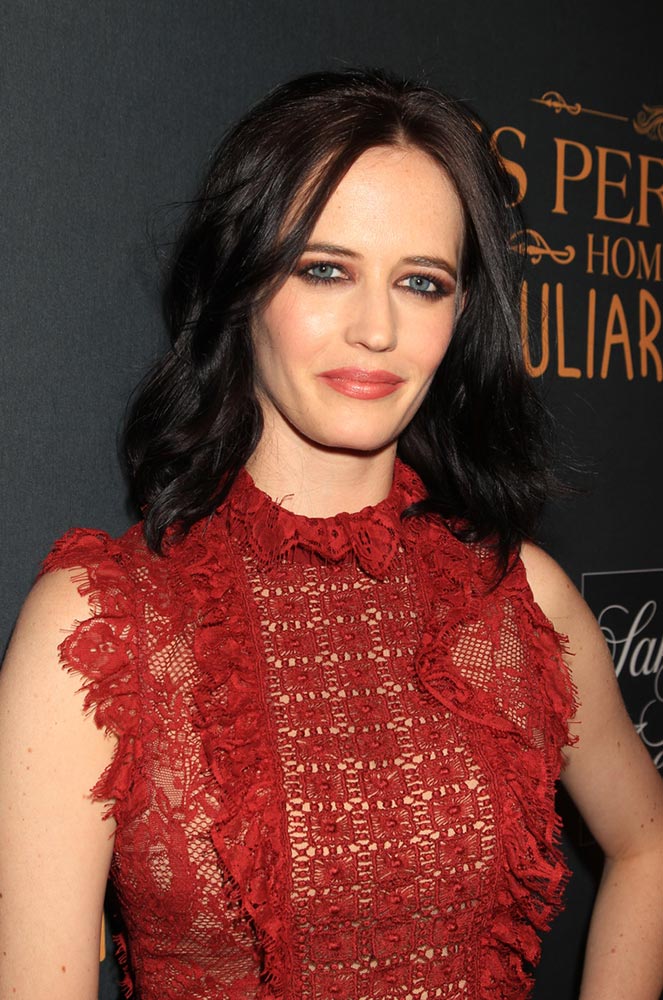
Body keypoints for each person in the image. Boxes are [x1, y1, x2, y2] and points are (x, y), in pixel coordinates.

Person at [0, 68, 661, 1000]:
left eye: (421, 283)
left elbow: (647, 841)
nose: (377, 330)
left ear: (459, 314)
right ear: (241, 283)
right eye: (325, 269)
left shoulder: (518, 597)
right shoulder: (104, 628)